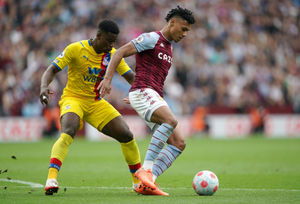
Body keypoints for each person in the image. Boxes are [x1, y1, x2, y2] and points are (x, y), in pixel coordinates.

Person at [98, 6, 195, 196]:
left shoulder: (169, 48)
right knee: (171, 120)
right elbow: (118, 53)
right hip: (144, 92)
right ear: (172, 22)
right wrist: (108, 80)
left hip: (150, 94)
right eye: (183, 29)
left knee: (178, 143)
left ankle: (147, 183)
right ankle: (146, 171)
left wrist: (137, 95)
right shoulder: (151, 38)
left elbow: (151, 75)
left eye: (187, 31)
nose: (185, 34)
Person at [40, 19, 142, 195]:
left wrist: (148, 88)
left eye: (114, 42)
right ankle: (51, 178)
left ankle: (138, 183)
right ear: (99, 36)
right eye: (109, 41)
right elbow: (51, 70)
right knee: (69, 129)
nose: (111, 45)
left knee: (126, 135)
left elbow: (130, 76)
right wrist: (43, 87)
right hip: (73, 98)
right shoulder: (75, 49)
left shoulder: (113, 54)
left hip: (95, 103)